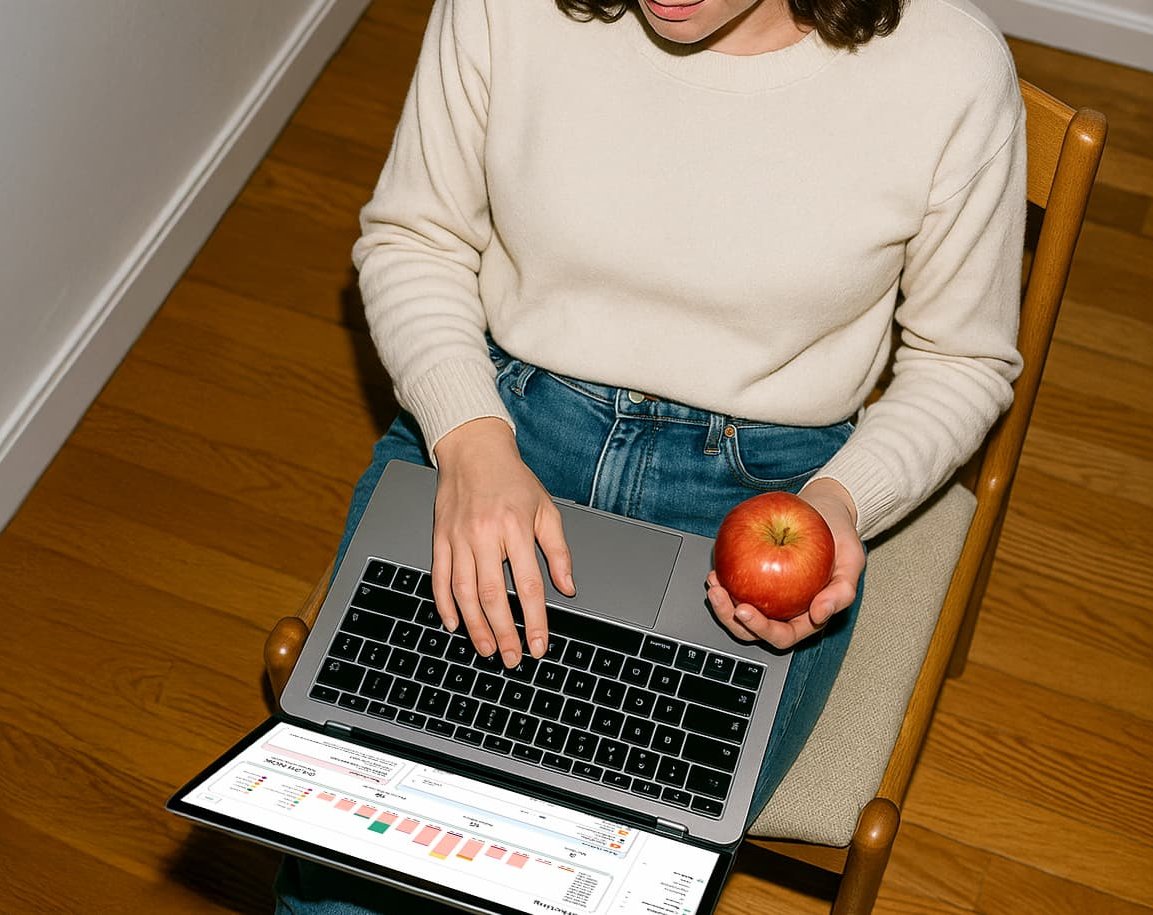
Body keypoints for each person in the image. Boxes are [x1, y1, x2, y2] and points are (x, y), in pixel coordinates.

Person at [276, 0, 1024, 910]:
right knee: (359, 861)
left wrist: (842, 502)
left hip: (769, 479)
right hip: (501, 413)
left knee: (597, 875)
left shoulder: (948, 67)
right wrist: (468, 438)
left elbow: (962, 358)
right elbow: (413, 237)